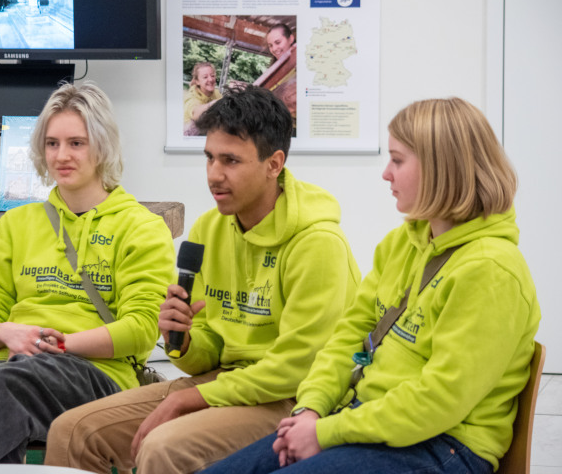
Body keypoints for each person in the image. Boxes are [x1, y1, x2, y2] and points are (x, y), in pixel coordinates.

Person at [200, 97, 541, 474]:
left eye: (397, 160)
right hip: (368, 419)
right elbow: (349, 336)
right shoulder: (403, 242)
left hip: (446, 445)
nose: (385, 173)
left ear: (442, 168)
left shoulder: (493, 271)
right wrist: (310, 408)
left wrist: (327, 432)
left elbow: (440, 401)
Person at [44, 84, 361, 473]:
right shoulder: (208, 228)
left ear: (274, 164)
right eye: (209, 157)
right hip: (222, 382)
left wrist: (191, 399)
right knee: (71, 431)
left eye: (231, 160)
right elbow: (208, 351)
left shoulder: (318, 243)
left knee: (163, 448)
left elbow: (299, 367)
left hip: (293, 397)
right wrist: (184, 339)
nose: (214, 175)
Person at [0, 82, 175, 466]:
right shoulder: (17, 223)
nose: (62, 155)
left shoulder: (141, 227)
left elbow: (141, 330)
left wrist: (58, 345)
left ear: (102, 146)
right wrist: (5, 332)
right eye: (52, 143)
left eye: (77, 143)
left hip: (95, 374)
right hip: (6, 371)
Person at [183, 62, 222, 136]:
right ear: (197, 81)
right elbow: (196, 114)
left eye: (212, 75)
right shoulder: (191, 96)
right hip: (188, 135)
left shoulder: (216, 93)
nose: (210, 79)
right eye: (205, 77)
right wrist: (213, 104)